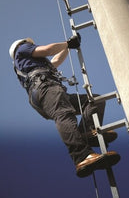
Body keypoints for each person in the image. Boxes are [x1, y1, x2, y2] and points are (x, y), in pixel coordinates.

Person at [9, 35, 120, 178]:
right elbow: (48, 50)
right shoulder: (22, 48)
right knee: (64, 114)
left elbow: (56, 60)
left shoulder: (34, 64)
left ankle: (86, 132)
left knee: (95, 100)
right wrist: (67, 43)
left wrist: (68, 46)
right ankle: (82, 156)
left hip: (47, 90)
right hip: (46, 88)